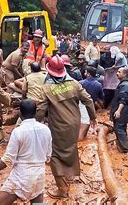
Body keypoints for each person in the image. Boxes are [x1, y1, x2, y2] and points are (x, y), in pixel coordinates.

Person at [36, 55, 96, 198]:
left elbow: (40, 112)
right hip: (75, 123)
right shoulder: (74, 83)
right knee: (70, 148)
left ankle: (62, 189)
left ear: (49, 71)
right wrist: (93, 117)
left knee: (54, 155)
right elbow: (88, 100)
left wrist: (36, 125)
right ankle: (69, 177)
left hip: (58, 126)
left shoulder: (46, 88)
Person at [0, 99, 51, 204]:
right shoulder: (46, 129)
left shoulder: (18, 132)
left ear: (20, 113)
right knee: (37, 202)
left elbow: (7, 160)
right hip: (39, 175)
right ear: (35, 112)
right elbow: (48, 156)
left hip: (21, 176)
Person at [111, 67, 128, 153]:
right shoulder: (124, 83)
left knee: (119, 129)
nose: (117, 73)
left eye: (119, 72)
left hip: (122, 111)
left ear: (124, 74)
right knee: (121, 128)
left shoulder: (124, 85)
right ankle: (122, 147)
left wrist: (118, 111)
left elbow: (123, 99)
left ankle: (127, 149)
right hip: (124, 111)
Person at [79, 66, 104, 140]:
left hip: (81, 105)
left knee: (81, 122)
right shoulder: (98, 84)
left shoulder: (80, 83)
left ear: (88, 74)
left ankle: (80, 140)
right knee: (88, 122)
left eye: (86, 72)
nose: (84, 73)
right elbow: (101, 97)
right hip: (92, 106)